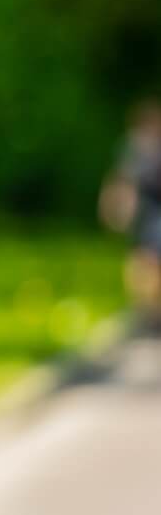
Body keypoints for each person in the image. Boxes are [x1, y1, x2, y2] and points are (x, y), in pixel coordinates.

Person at [100, 99, 161, 337]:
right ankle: (147, 310)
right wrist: (116, 209)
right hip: (147, 212)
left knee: (146, 259)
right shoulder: (136, 148)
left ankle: (150, 310)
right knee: (144, 259)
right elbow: (123, 181)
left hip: (152, 212)